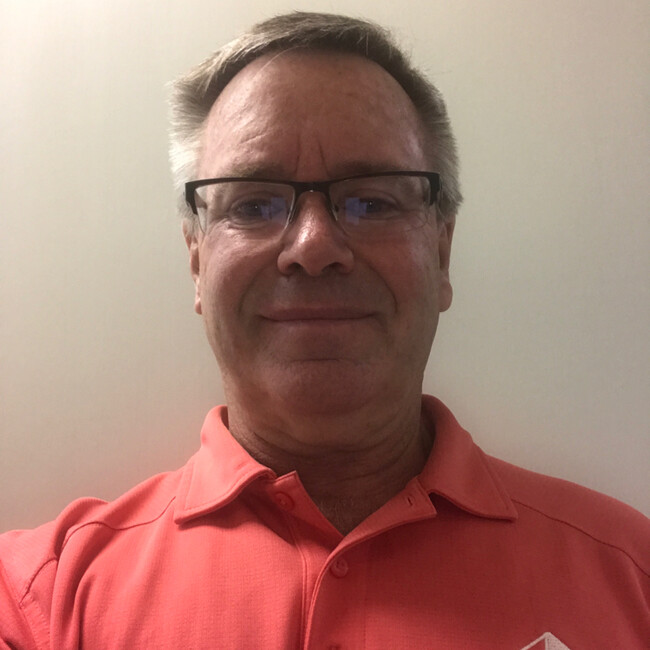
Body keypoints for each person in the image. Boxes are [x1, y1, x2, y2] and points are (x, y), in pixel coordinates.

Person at [1, 11, 648, 649]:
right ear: (197, 261)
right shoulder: (39, 601)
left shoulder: (633, 579)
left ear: (442, 253)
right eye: (254, 204)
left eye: (373, 201)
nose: (313, 247)